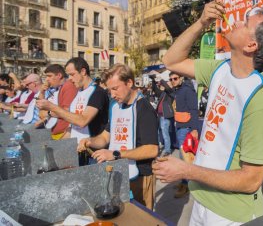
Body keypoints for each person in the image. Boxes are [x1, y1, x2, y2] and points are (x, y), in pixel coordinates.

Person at [153, 2, 263, 225]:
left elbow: (251, 180)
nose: (236, 21)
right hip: (202, 201)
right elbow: (171, 61)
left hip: (231, 216)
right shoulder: (220, 69)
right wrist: (201, 22)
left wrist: (186, 170)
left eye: (245, 24)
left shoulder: (261, 103)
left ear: (251, 44)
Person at [77, 64, 158, 210]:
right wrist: (90, 141)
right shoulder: (115, 106)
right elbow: (105, 137)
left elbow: (152, 150)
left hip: (140, 176)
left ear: (129, 83)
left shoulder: (144, 108)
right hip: (119, 172)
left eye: (115, 88)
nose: (112, 95)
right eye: (109, 90)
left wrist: (115, 154)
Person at [36, 57, 109, 165]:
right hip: (78, 151)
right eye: (68, 75)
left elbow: (82, 121)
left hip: (93, 154)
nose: (70, 78)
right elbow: (73, 125)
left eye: (72, 74)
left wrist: (52, 107)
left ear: (83, 71)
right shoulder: (79, 92)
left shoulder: (97, 92)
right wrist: (57, 146)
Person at [169, 71, 199, 198]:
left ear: (181, 78)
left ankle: (187, 185)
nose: (173, 81)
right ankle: (184, 181)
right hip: (180, 125)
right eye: (171, 79)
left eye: (175, 78)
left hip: (186, 127)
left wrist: (194, 128)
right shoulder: (179, 90)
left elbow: (193, 109)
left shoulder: (187, 90)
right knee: (183, 157)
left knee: (186, 157)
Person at [35, 64, 77, 140]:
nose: (47, 79)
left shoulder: (68, 86)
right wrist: (42, 92)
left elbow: (67, 111)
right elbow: (40, 106)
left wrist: (48, 113)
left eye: (49, 76)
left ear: (59, 75)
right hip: (54, 132)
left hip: (63, 134)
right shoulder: (56, 89)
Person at [150, 75, 175, 157]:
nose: (167, 85)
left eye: (169, 83)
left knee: (165, 133)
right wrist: (153, 80)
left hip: (165, 116)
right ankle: (157, 148)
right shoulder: (163, 93)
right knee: (156, 133)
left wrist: (161, 80)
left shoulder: (171, 92)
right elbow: (155, 90)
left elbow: (167, 88)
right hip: (159, 115)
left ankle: (167, 150)